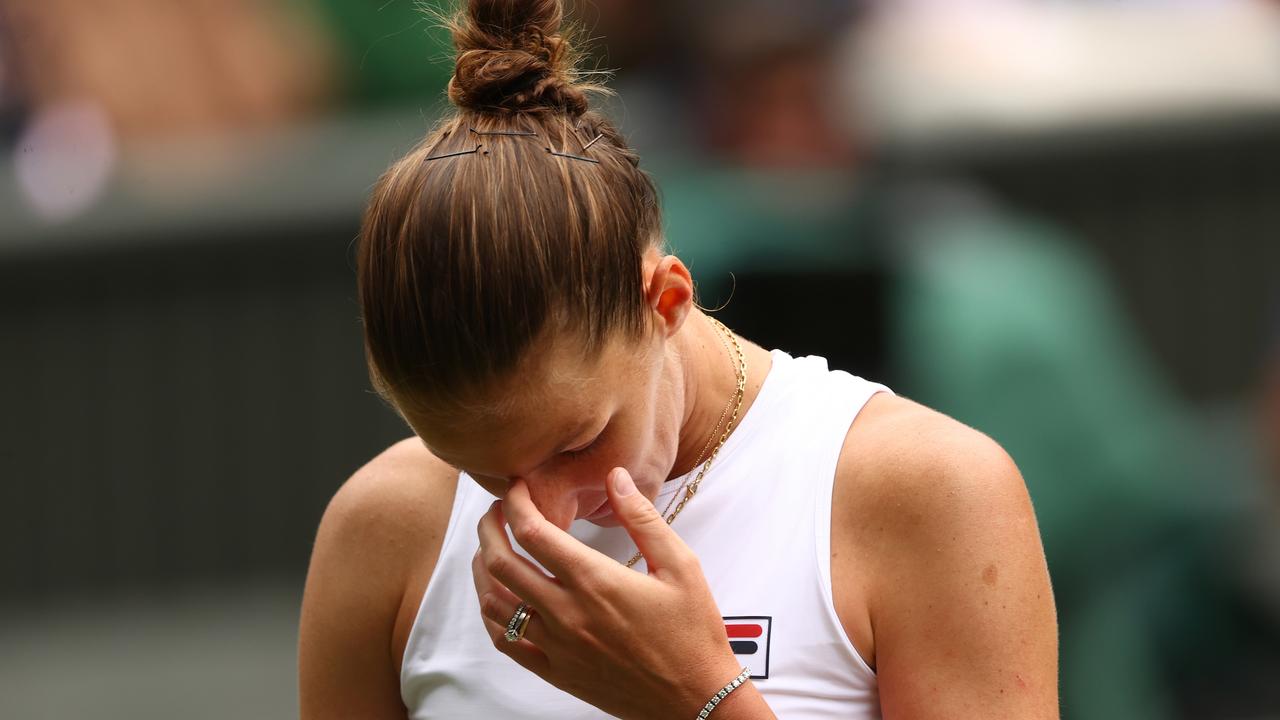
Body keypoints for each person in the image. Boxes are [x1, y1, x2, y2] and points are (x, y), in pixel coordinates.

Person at [297, 1, 1058, 717]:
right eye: (483, 474)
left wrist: (699, 697)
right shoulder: (382, 528)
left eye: (577, 443)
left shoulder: (929, 494)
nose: (545, 518)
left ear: (666, 300)